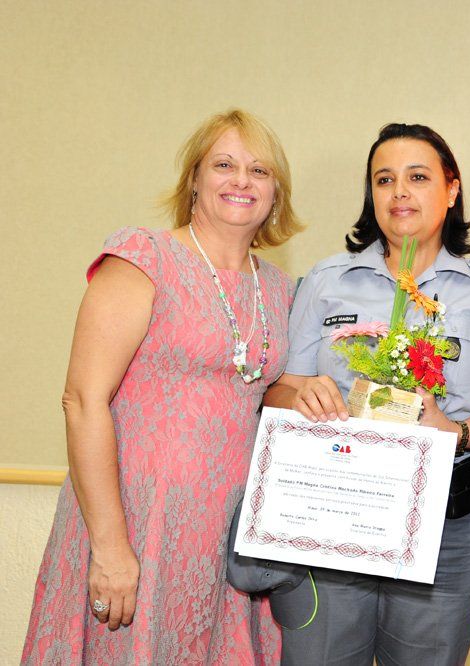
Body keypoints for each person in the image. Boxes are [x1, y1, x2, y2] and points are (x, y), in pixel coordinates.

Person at [22, 109, 303, 664]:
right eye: (223, 165)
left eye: (259, 170)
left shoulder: (279, 289)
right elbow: (82, 401)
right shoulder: (144, 258)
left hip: (229, 541)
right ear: (194, 178)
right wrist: (110, 547)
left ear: (276, 192)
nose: (242, 180)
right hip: (137, 522)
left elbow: (270, 395)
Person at [263, 122, 470, 665]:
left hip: (448, 528)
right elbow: (278, 393)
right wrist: (302, 398)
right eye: (384, 180)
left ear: (451, 189)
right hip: (333, 516)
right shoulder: (326, 280)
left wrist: (455, 431)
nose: (400, 192)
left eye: (418, 177)